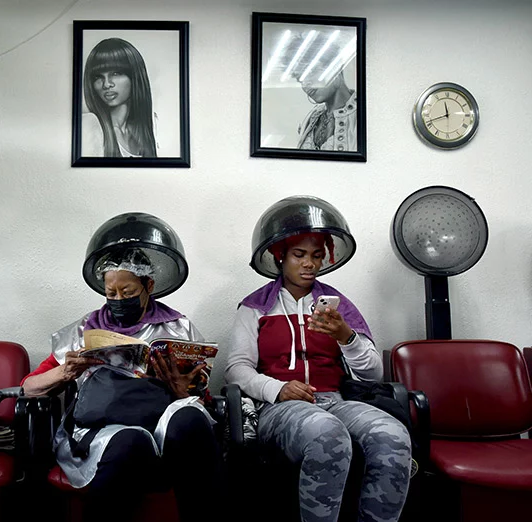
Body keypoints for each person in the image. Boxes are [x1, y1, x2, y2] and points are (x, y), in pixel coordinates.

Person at [22, 213, 223, 522]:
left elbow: (203, 395)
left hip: (163, 427)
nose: (118, 300)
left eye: (128, 293)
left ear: (149, 285)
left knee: (190, 419)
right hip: (106, 429)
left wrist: (186, 393)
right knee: (130, 441)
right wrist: (66, 372)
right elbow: (28, 388)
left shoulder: (179, 328)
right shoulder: (84, 330)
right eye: (110, 293)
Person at [225, 196, 412, 522]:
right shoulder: (254, 307)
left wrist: (345, 336)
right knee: (326, 432)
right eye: (299, 255)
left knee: (392, 435)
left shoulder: (339, 307)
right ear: (280, 256)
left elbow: (372, 374)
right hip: (279, 409)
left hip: (335, 401)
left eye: (316, 256)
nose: (309, 264)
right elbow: (236, 370)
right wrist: (277, 389)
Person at [81, 38, 157, 158]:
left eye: (115, 74)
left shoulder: (147, 131)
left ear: (135, 77)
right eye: (98, 77)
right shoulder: (89, 125)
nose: (106, 84)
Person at [284, 31, 357, 151]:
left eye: (310, 72)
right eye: (299, 79)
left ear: (335, 66)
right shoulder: (311, 118)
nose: (305, 84)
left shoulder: (364, 115)